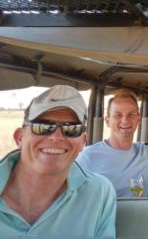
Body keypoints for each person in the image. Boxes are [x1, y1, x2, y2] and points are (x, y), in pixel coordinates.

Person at [0, 85, 116, 238]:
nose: (56, 137)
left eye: (71, 129)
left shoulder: (99, 192)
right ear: (19, 137)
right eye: (43, 126)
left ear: (83, 141)